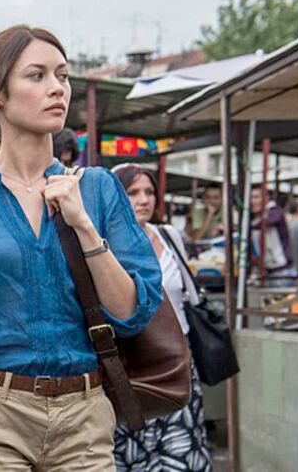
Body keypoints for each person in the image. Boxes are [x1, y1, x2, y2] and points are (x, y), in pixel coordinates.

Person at [0, 25, 163, 472]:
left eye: (63, 75)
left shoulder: (98, 188)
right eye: (37, 76)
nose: (57, 88)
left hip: (83, 414)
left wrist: (85, 227)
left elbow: (132, 312)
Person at [112, 163, 212, 472]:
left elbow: (188, 291)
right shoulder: (104, 243)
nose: (143, 200)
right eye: (133, 192)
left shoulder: (168, 236)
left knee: (181, 447)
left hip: (177, 357)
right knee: (133, 449)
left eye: (149, 192)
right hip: (131, 362)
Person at [250, 187, 296, 284]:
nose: (253, 201)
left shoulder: (274, 211)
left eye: (256, 197)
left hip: (282, 271)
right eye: (250, 198)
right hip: (269, 271)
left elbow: (267, 222)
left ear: (267, 197)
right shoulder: (257, 217)